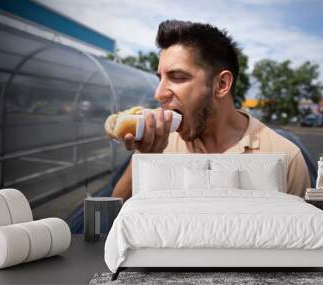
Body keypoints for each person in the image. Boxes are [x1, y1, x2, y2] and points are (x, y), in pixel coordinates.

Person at [111, 20, 310, 201]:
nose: (159, 93)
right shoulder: (159, 144)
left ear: (221, 84)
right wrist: (143, 159)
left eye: (178, 77)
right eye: (160, 78)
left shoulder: (286, 157)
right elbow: (113, 219)